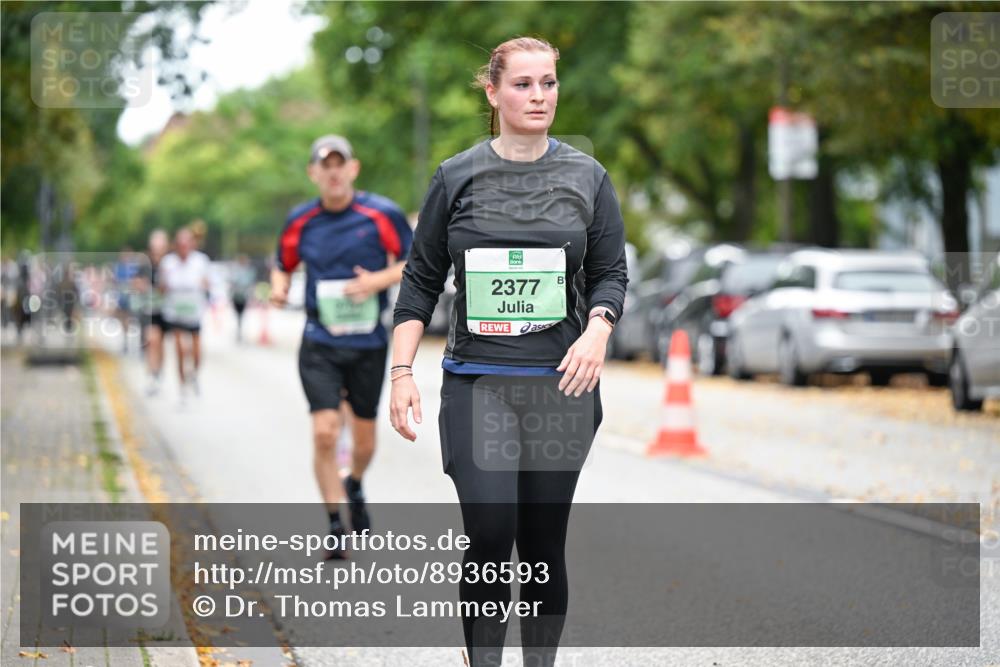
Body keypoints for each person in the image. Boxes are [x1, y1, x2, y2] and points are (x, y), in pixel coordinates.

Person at [390, 37, 627, 667]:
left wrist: (599, 328)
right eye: (523, 84)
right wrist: (401, 371)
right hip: (478, 383)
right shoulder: (456, 176)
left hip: (560, 388)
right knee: (492, 535)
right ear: (492, 92)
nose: (539, 96)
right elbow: (420, 280)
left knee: (544, 545)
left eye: (548, 83)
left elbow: (610, 273)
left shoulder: (587, 176)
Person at [270, 135, 413, 557]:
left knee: (364, 443)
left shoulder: (381, 213)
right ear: (314, 173)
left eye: (340, 164)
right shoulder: (301, 220)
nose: (332, 171)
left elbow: (414, 261)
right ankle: (335, 525)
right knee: (324, 432)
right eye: (324, 165)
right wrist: (279, 290)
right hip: (319, 342)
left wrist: (374, 281)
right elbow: (283, 264)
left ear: (353, 169)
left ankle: (354, 484)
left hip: (368, 342)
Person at [160, 226, 211, 404]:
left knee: (196, 352)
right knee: (181, 349)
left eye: (187, 242)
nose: (183, 246)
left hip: (194, 311)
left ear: (192, 244)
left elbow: (209, 283)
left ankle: (194, 374)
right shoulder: (168, 262)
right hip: (175, 312)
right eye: (180, 243)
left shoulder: (201, 261)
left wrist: (205, 287)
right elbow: (162, 287)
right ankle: (182, 386)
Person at [136, 229, 170, 395]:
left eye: (161, 246)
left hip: (166, 310)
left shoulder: (170, 263)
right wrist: (142, 286)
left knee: (160, 343)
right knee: (152, 340)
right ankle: (152, 374)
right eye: (155, 246)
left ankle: (158, 370)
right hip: (149, 309)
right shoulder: (144, 263)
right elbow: (135, 283)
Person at [229, 254, 256, 342]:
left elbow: (250, 285)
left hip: (243, 298)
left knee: (241, 316)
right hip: (237, 297)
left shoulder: (248, 272)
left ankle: (239, 332)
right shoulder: (236, 272)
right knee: (238, 316)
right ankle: (239, 331)